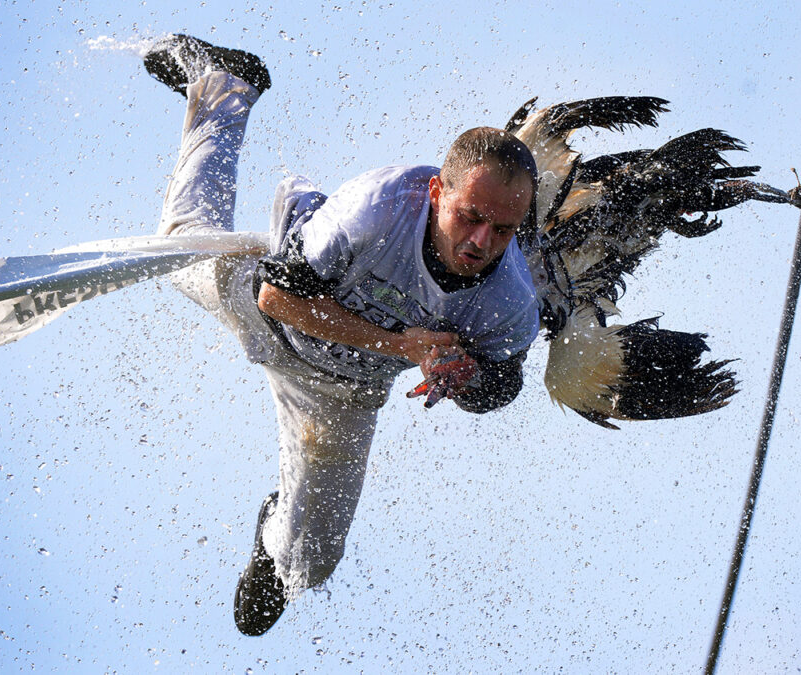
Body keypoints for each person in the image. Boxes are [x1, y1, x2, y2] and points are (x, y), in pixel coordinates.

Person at [141, 35, 540, 636]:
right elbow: (276, 296)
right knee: (180, 247)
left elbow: (501, 388)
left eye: (503, 229)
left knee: (310, 568)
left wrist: (467, 381)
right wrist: (408, 345)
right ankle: (226, 87)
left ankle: (274, 532)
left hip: (343, 392)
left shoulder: (511, 304)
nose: (481, 242)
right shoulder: (378, 207)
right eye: (470, 217)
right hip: (275, 297)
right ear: (437, 191)